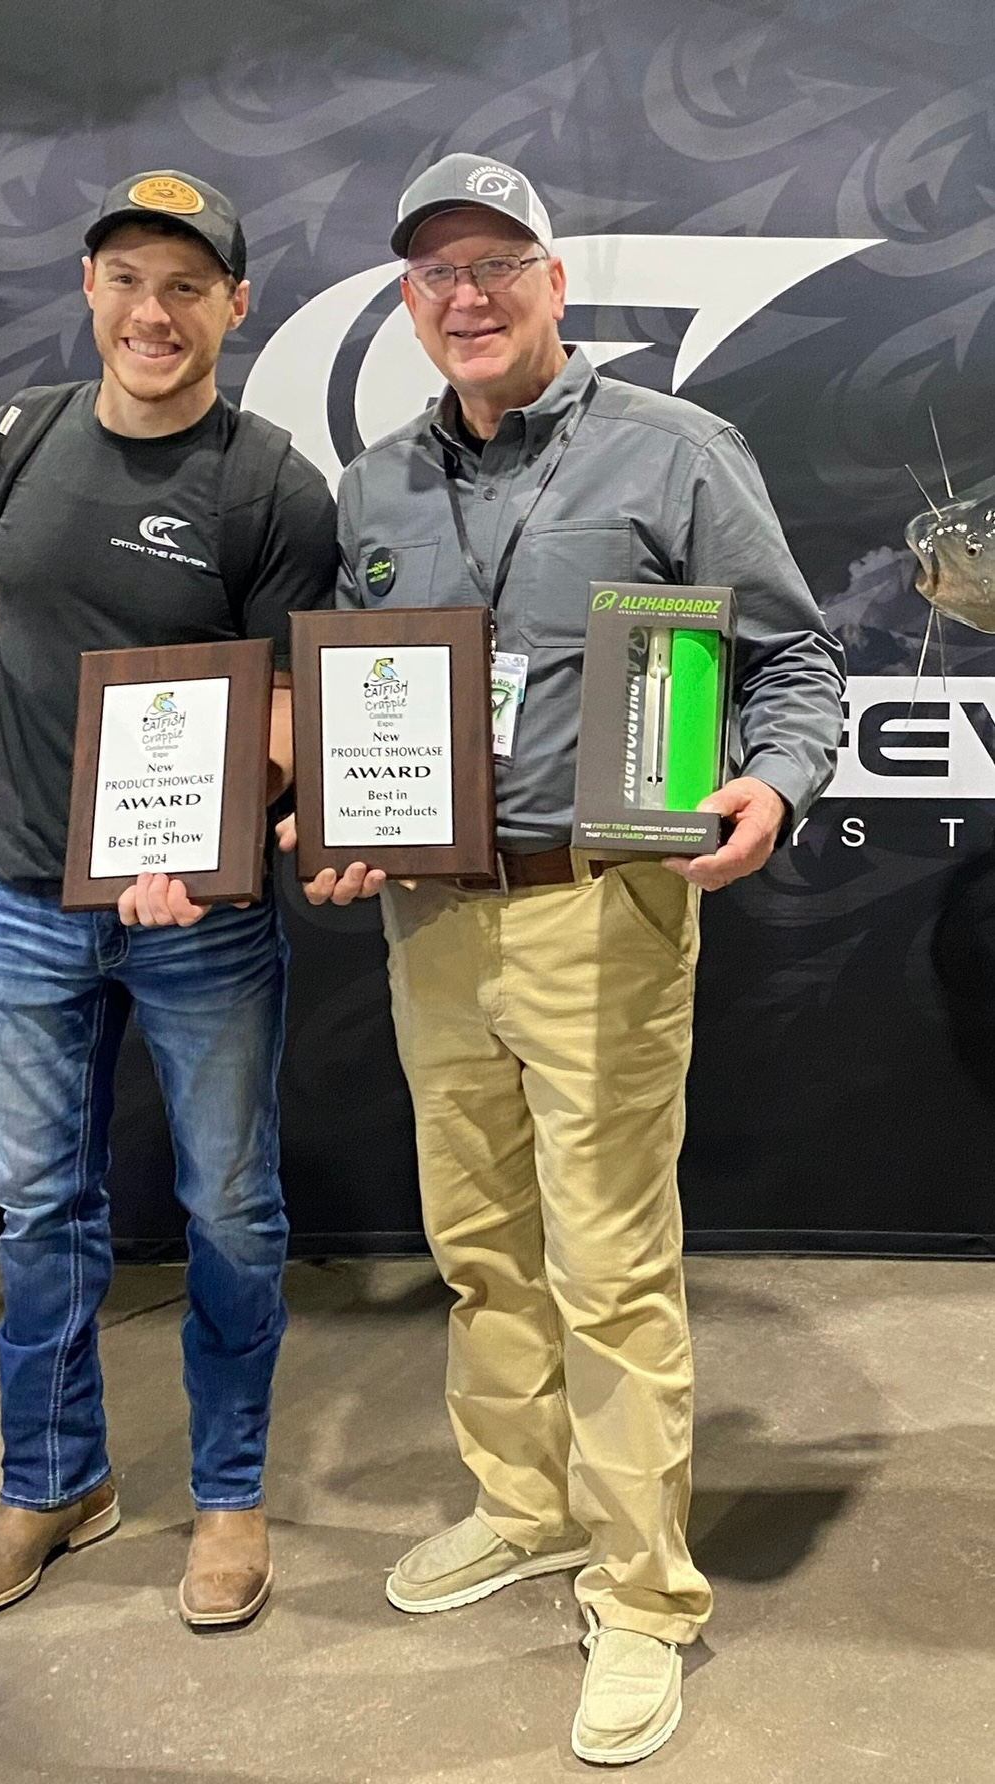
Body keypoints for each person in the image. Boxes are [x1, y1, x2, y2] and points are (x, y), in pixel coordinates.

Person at [279, 153, 845, 1764]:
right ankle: (523, 1505)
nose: (466, 295)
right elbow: (354, 704)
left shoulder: (673, 449)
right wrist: (338, 809)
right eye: (435, 273)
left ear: (552, 284)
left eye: (495, 265)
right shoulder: (377, 486)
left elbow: (790, 655)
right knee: (478, 1242)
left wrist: (775, 777)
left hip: (603, 901)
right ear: (408, 304)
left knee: (609, 1264)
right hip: (431, 911)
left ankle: (645, 1594)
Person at [0, 169, 336, 1629]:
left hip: (200, 916)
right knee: (38, 1210)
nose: (156, 311)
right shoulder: (11, 439)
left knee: (233, 1212)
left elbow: (281, 720)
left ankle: (229, 1493)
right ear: (90, 288)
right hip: (25, 899)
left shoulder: (273, 485)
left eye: (188, 288)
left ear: (233, 308)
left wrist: (196, 852)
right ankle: (55, 1480)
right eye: (130, 279)